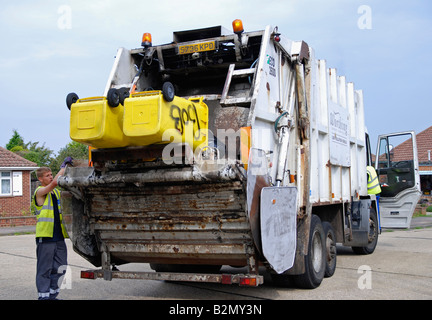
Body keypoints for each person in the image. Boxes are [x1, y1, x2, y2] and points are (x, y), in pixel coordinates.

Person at [33, 157, 72, 300]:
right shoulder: (39, 192)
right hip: (46, 238)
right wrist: (64, 166)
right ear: (41, 179)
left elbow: (57, 183)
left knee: (61, 267)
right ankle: (43, 297)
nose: (50, 177)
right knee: (44, 269)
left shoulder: (55, 193)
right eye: (47, 176)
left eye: (51, 174)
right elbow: (56, 181)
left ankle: (52, 294)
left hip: (58, 237)